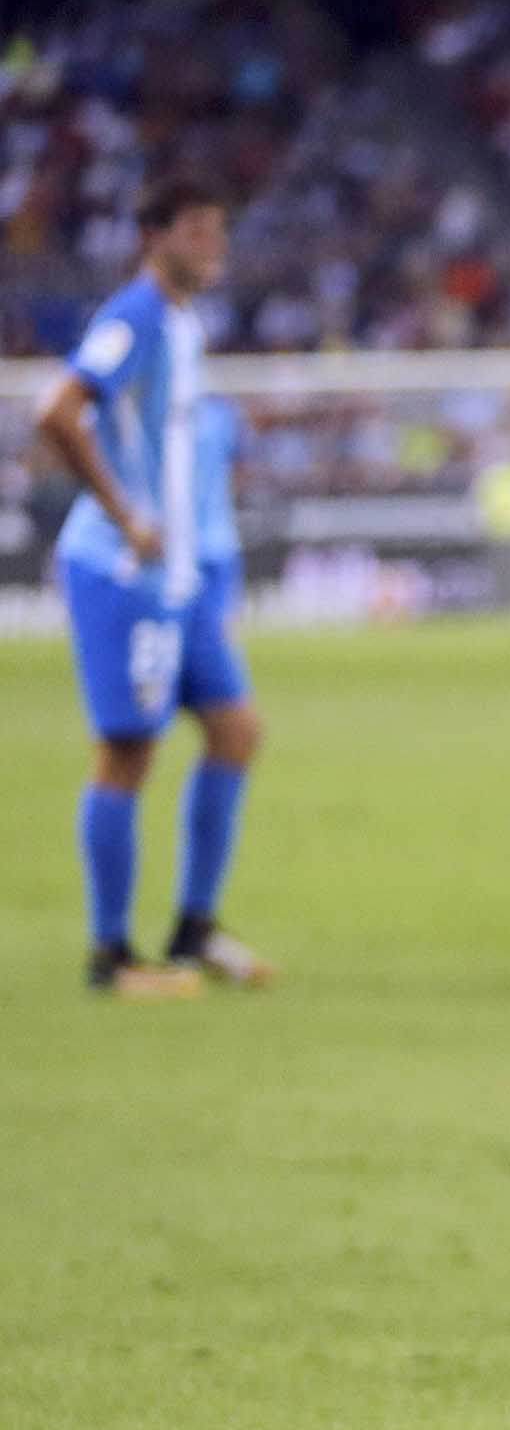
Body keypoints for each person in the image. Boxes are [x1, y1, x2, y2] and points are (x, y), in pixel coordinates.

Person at [33, 178, 273, 998]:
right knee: (128, 751)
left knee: (236, 730)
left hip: (178, 575)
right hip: (122, 569)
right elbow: (58, 411)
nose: (213, 246)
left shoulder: (182, 323)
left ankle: (193, 931)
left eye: (219, 230)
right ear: (153, 236)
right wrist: (126, 515)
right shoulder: (133, 316)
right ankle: (111, 956)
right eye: (196, 230)